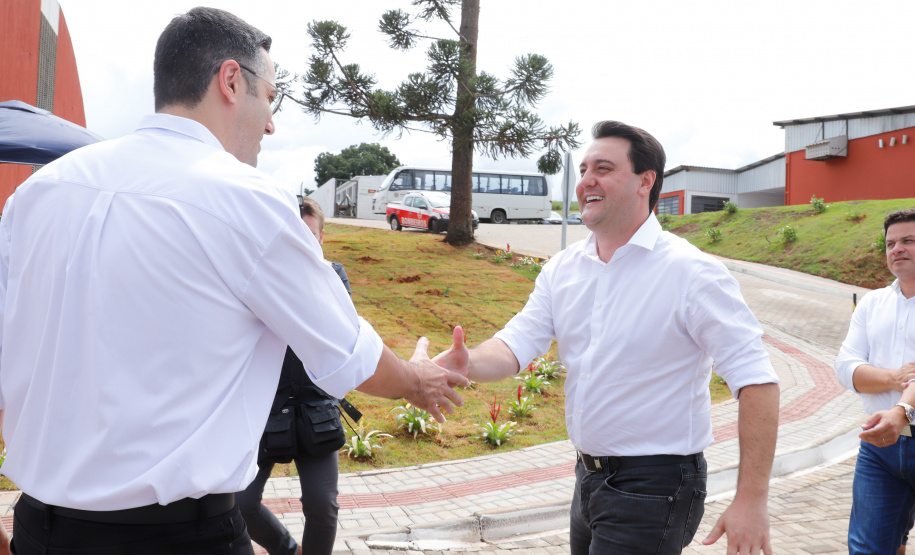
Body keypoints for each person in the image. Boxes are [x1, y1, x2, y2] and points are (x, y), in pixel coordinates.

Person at [0, 7, 466, 555]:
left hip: (40, 529)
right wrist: (417, 379)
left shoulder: (37, 194)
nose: (271, 123)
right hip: (177, 538)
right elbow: (346, 355)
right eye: (270, 96)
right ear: (230, 81)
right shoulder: (245, 199)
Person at [435, 121, 780, 554]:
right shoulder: (563, 269)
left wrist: (751, 499)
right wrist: (468, 362)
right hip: (588, 478)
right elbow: (517, 342)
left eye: (603, 168)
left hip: (655, 486)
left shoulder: (692, 273)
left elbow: (757, 381)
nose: (586, 182)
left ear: (645, 181)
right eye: (583, 170)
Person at [237, 198, 348, 555]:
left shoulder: (334, 275)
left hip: (317, 409)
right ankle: (288, 550)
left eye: (310, 235)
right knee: (241, 504)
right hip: (266, 410)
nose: (303, 243)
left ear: (322, 237)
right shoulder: (258, 276)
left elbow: (336, 331)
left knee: (322, 506)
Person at [835, 208, 915, 555]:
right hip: (878, 447)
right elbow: (846, 368)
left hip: (898, 425)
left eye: (908, 240)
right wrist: (895, 377)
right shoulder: (872, 303)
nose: (897, 248)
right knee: (870, 548)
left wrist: (902, 409)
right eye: (890, 243)